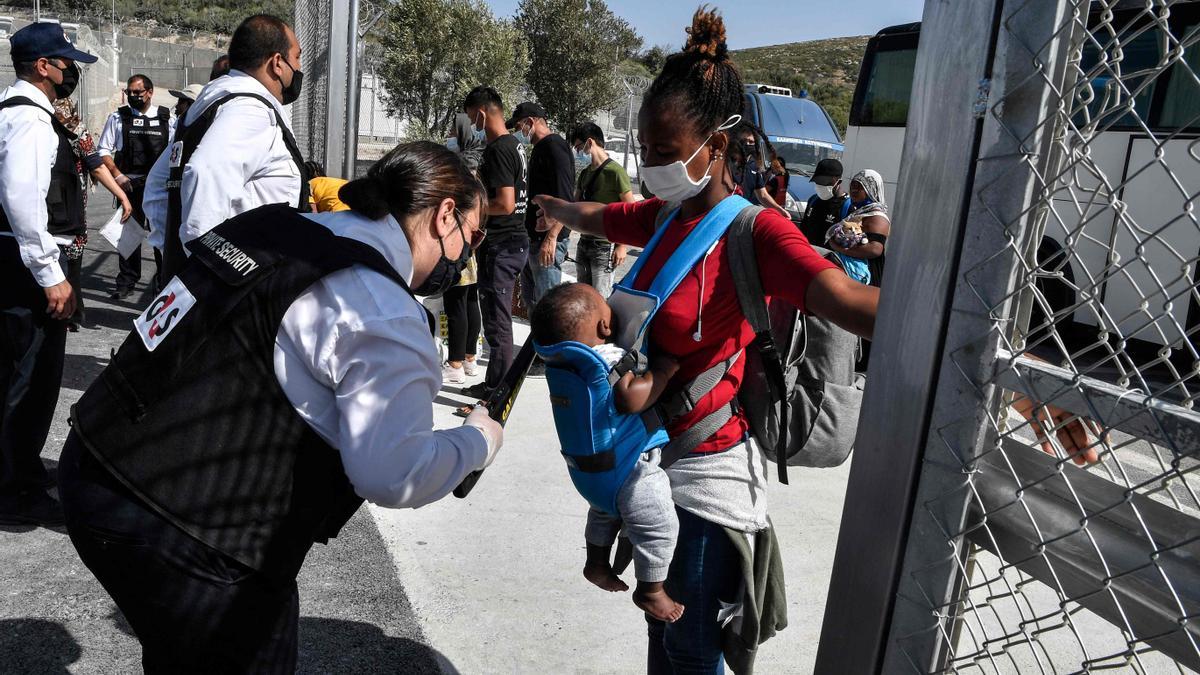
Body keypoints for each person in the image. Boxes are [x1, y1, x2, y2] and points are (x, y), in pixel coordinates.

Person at [534, 11, 1099, 671]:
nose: (653, 164)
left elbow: (854, 302)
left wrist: (1014, 361)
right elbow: (605, 215)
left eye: (666, 150)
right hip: (652, 468)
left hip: (707, 483)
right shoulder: (663, 218)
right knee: (667, 644)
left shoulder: (756, 234)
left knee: (688, 649)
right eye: (647, 148)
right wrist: (555, 209)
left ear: (713, 148)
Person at [59, 141, 504, 671]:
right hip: (194, 537)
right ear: (444, 214)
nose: (467, 256)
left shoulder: (268, 227)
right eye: (472, 237)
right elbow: (394, 473)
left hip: (91, 465)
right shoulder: (380, 307)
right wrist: (477, 440)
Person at [531, 282, 684, 622]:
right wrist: (663, 371)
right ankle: (651, 590)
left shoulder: (564, 365)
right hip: (629, 469)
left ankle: (597, 563)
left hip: (591, 474)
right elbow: (631, 396)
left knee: (605, 512)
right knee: (658, 524)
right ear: (605, 326)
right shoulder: (608, 356)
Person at [0, 22, 97, 525]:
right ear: (44, 67)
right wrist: (49, 272)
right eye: (66, 63)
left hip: (14, 261)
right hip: (27, 265)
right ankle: (16, 492)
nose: (71, 72)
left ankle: (18, 474)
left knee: (16, 374)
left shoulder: (10, 112)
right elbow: (22, 198)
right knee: (31, 380)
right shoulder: (32, 122)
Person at [143, 14, 310, 282]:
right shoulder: (250, 109)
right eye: (297, 57)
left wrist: (174, 254)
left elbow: (156, 186)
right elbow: (203, 171)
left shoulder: (207, 104)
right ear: (277, 63)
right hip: (242, 293)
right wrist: (207, 271)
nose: (299, 67)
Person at [460, 86, 527, 402]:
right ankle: (492, 384)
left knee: (498, 327)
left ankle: (497, 394)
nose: (471, 122)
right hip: (509, 244)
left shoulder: (499, 148)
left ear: (482, 113)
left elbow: (506, 203)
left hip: (502, 247)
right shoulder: (514, 145)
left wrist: (473, 209)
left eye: (472, 116)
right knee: (496, 323)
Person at [52, 97, 134, 329]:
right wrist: (122, 195)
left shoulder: (36, 122)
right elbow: (96, 166)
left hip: (43, 208)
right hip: (70, 209)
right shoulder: (76, 130)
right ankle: (73, 314)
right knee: (72, 265)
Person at [98, 73, 171, 299]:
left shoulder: (167, 119)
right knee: (129, 235)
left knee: (161, 235)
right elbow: (103, 150)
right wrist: (118, 175)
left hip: (159, 188)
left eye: (137, 92)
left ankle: (163, 281)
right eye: (129, 92)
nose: (132, 96)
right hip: (129, 185)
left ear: (150, 92)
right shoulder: (118, 118)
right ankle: (126, 281)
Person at [510, 101, 573, 309]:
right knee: (534, 304)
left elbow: (565, 200)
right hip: (534, 239)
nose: (519, 132)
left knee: (547, 307)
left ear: (530, 122)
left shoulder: (554, 147)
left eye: (519, 127)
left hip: (547, 241)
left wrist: (551, 238)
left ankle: (549, 342)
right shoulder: (540, 148)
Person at [442, 113, 485, 387]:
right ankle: (469, 358)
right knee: (470, 301)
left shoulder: (461, 174)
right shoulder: (478, 176)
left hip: (460, 247)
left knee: (456, 303)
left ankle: (455, 363)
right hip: (474, 248)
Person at [569, 122, 634, 298]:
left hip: (604, 247)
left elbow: (630, 211)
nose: (578, 153)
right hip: (584, 243)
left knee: (600, 299)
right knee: (583, 297)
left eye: (579, 147)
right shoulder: (584, 174)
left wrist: (621, 245)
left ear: (590, 143)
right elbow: (576, 206)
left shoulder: (615, 172)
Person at [833, 168, 890, 289]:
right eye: (852, 186)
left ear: (871, 189)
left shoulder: (877, 217)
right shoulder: (857, 212)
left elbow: (875, 250)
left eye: (859, 187)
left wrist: (840, 249)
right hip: (852, 275)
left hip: (868, 277)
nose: (854, 190)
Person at [729, 122, 787, 217]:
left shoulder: (753, 166)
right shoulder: (726, 163)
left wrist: (779, 210)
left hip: (743, 216)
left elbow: (762, 195)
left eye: (751, 142)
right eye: (743, 141)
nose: (747, 144)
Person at [799, 157, 849, 244]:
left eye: (825, 182)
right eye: (818, 181)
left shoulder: (847, 206)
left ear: (838, 181)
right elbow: (803, 229)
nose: (820, 185)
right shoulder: (813, 200)